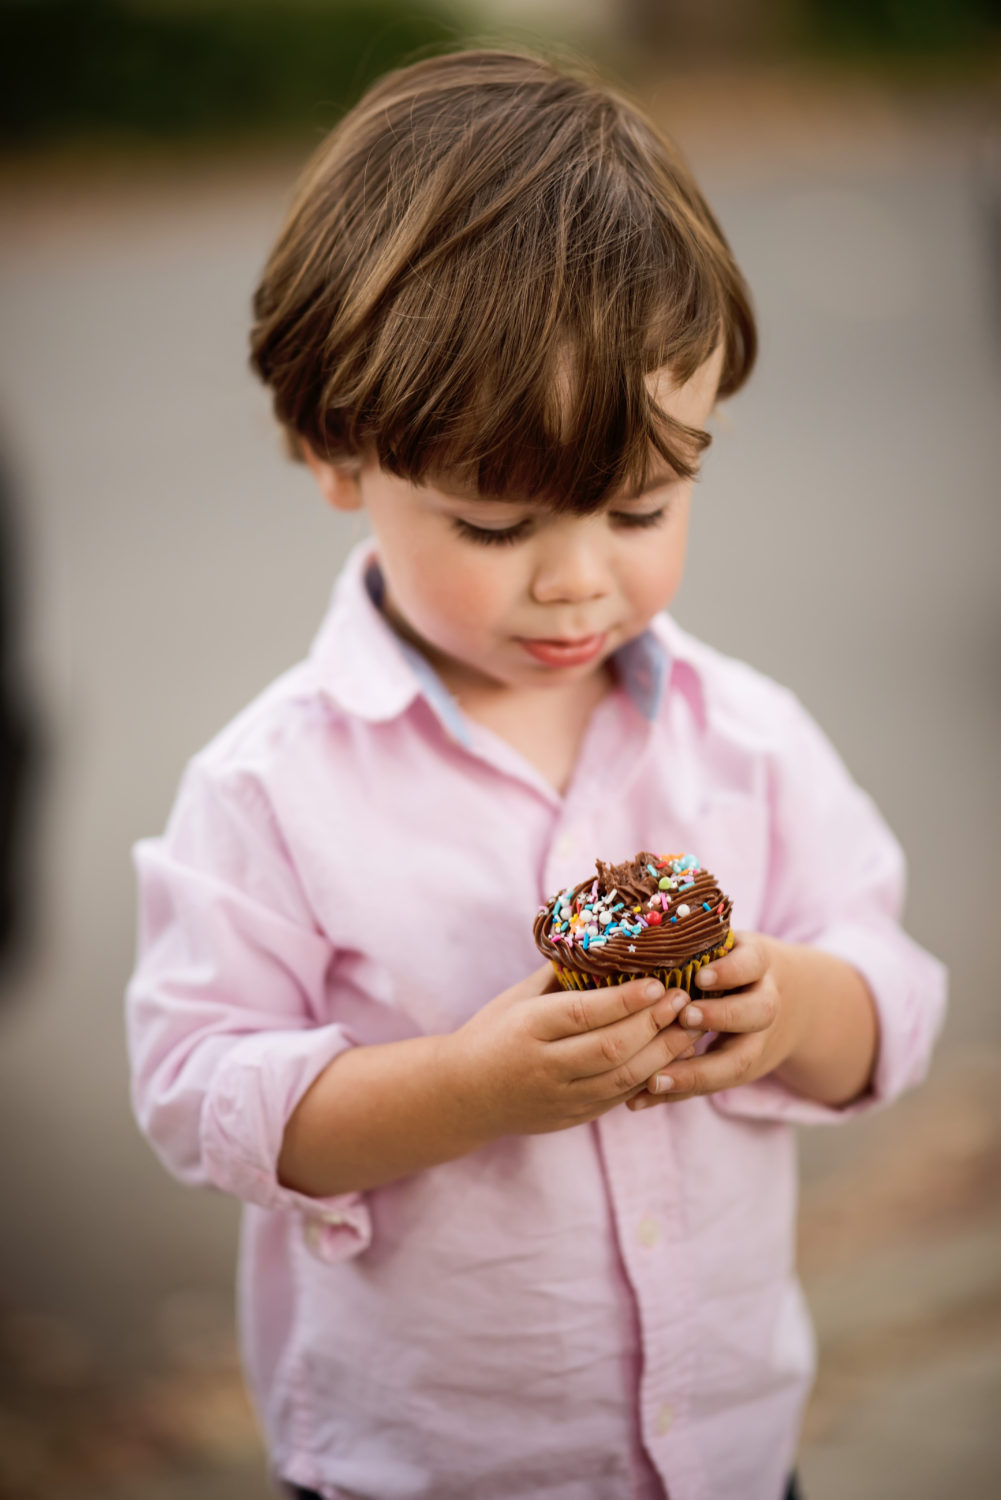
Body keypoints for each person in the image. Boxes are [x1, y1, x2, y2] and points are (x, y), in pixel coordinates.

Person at [126, 49, 946, 1500]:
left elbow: (890, 993)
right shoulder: (270, 788)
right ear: (333, 454)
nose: (575, 582)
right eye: (496, 526)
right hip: (421, 1465)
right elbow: (197, 1091)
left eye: (640, 505)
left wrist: (791, 1007)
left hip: (729, 1453)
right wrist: (462, 1089)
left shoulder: (744, 738)